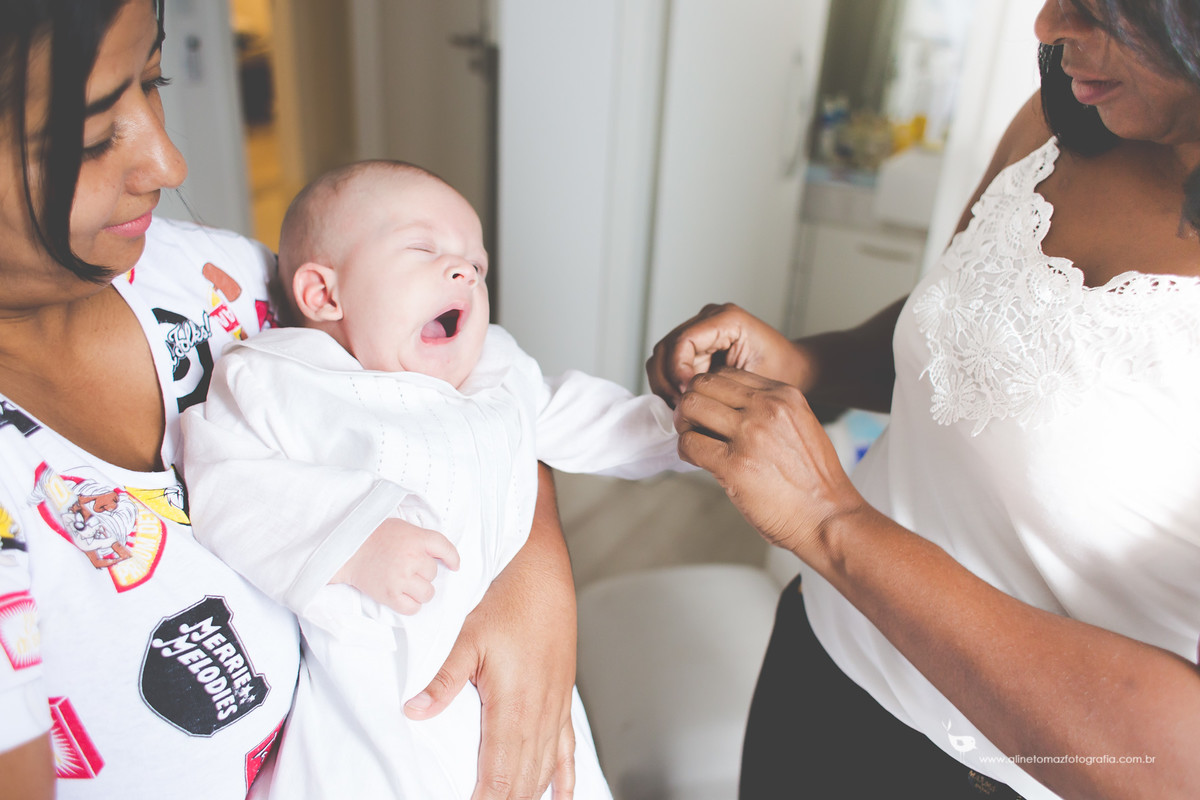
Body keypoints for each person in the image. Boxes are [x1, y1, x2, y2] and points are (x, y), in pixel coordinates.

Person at [0, 3, 585, 798]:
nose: (169, 163)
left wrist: (536, 582)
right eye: (93, 135)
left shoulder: (226, 288)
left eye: (154, 80)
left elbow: (462, 397)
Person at [646, 0, 1200, 797]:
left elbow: (1176, 769)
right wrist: (809, 362)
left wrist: (832, 522)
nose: (1046, 26)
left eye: (1095, 5)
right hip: (818, 663)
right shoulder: (1064, 119)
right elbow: (961, 329)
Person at [179, 159, 689, 799]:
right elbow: (224, 476)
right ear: (323, 294)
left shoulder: (498, 371)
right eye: (424, 249)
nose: (463, 273)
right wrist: (353, 534)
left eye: (477, 267)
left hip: (509, 676)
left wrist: (689, 430)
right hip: (374, 697)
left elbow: (593, 420)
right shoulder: (279, 378)